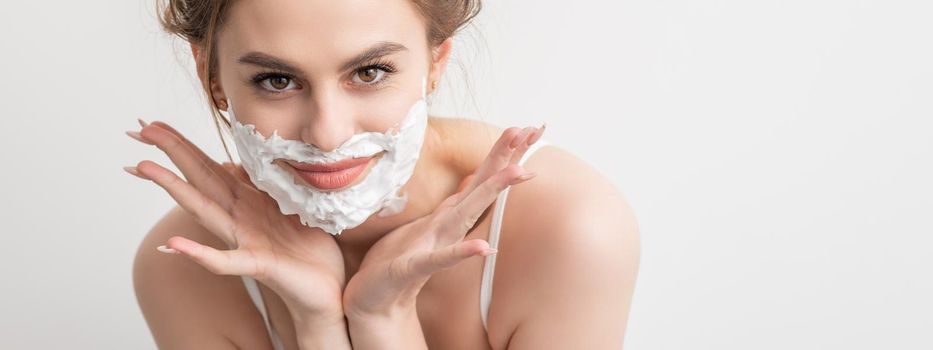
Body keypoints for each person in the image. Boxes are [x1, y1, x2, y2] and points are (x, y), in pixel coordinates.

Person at [130, 0, 640, 349]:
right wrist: (319, 324)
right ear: (212, 78)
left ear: (436, 61)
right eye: (277, 80)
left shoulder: (568, 229)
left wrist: (384, 320)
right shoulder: (187, 266)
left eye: (370, 72)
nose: (326, 134)